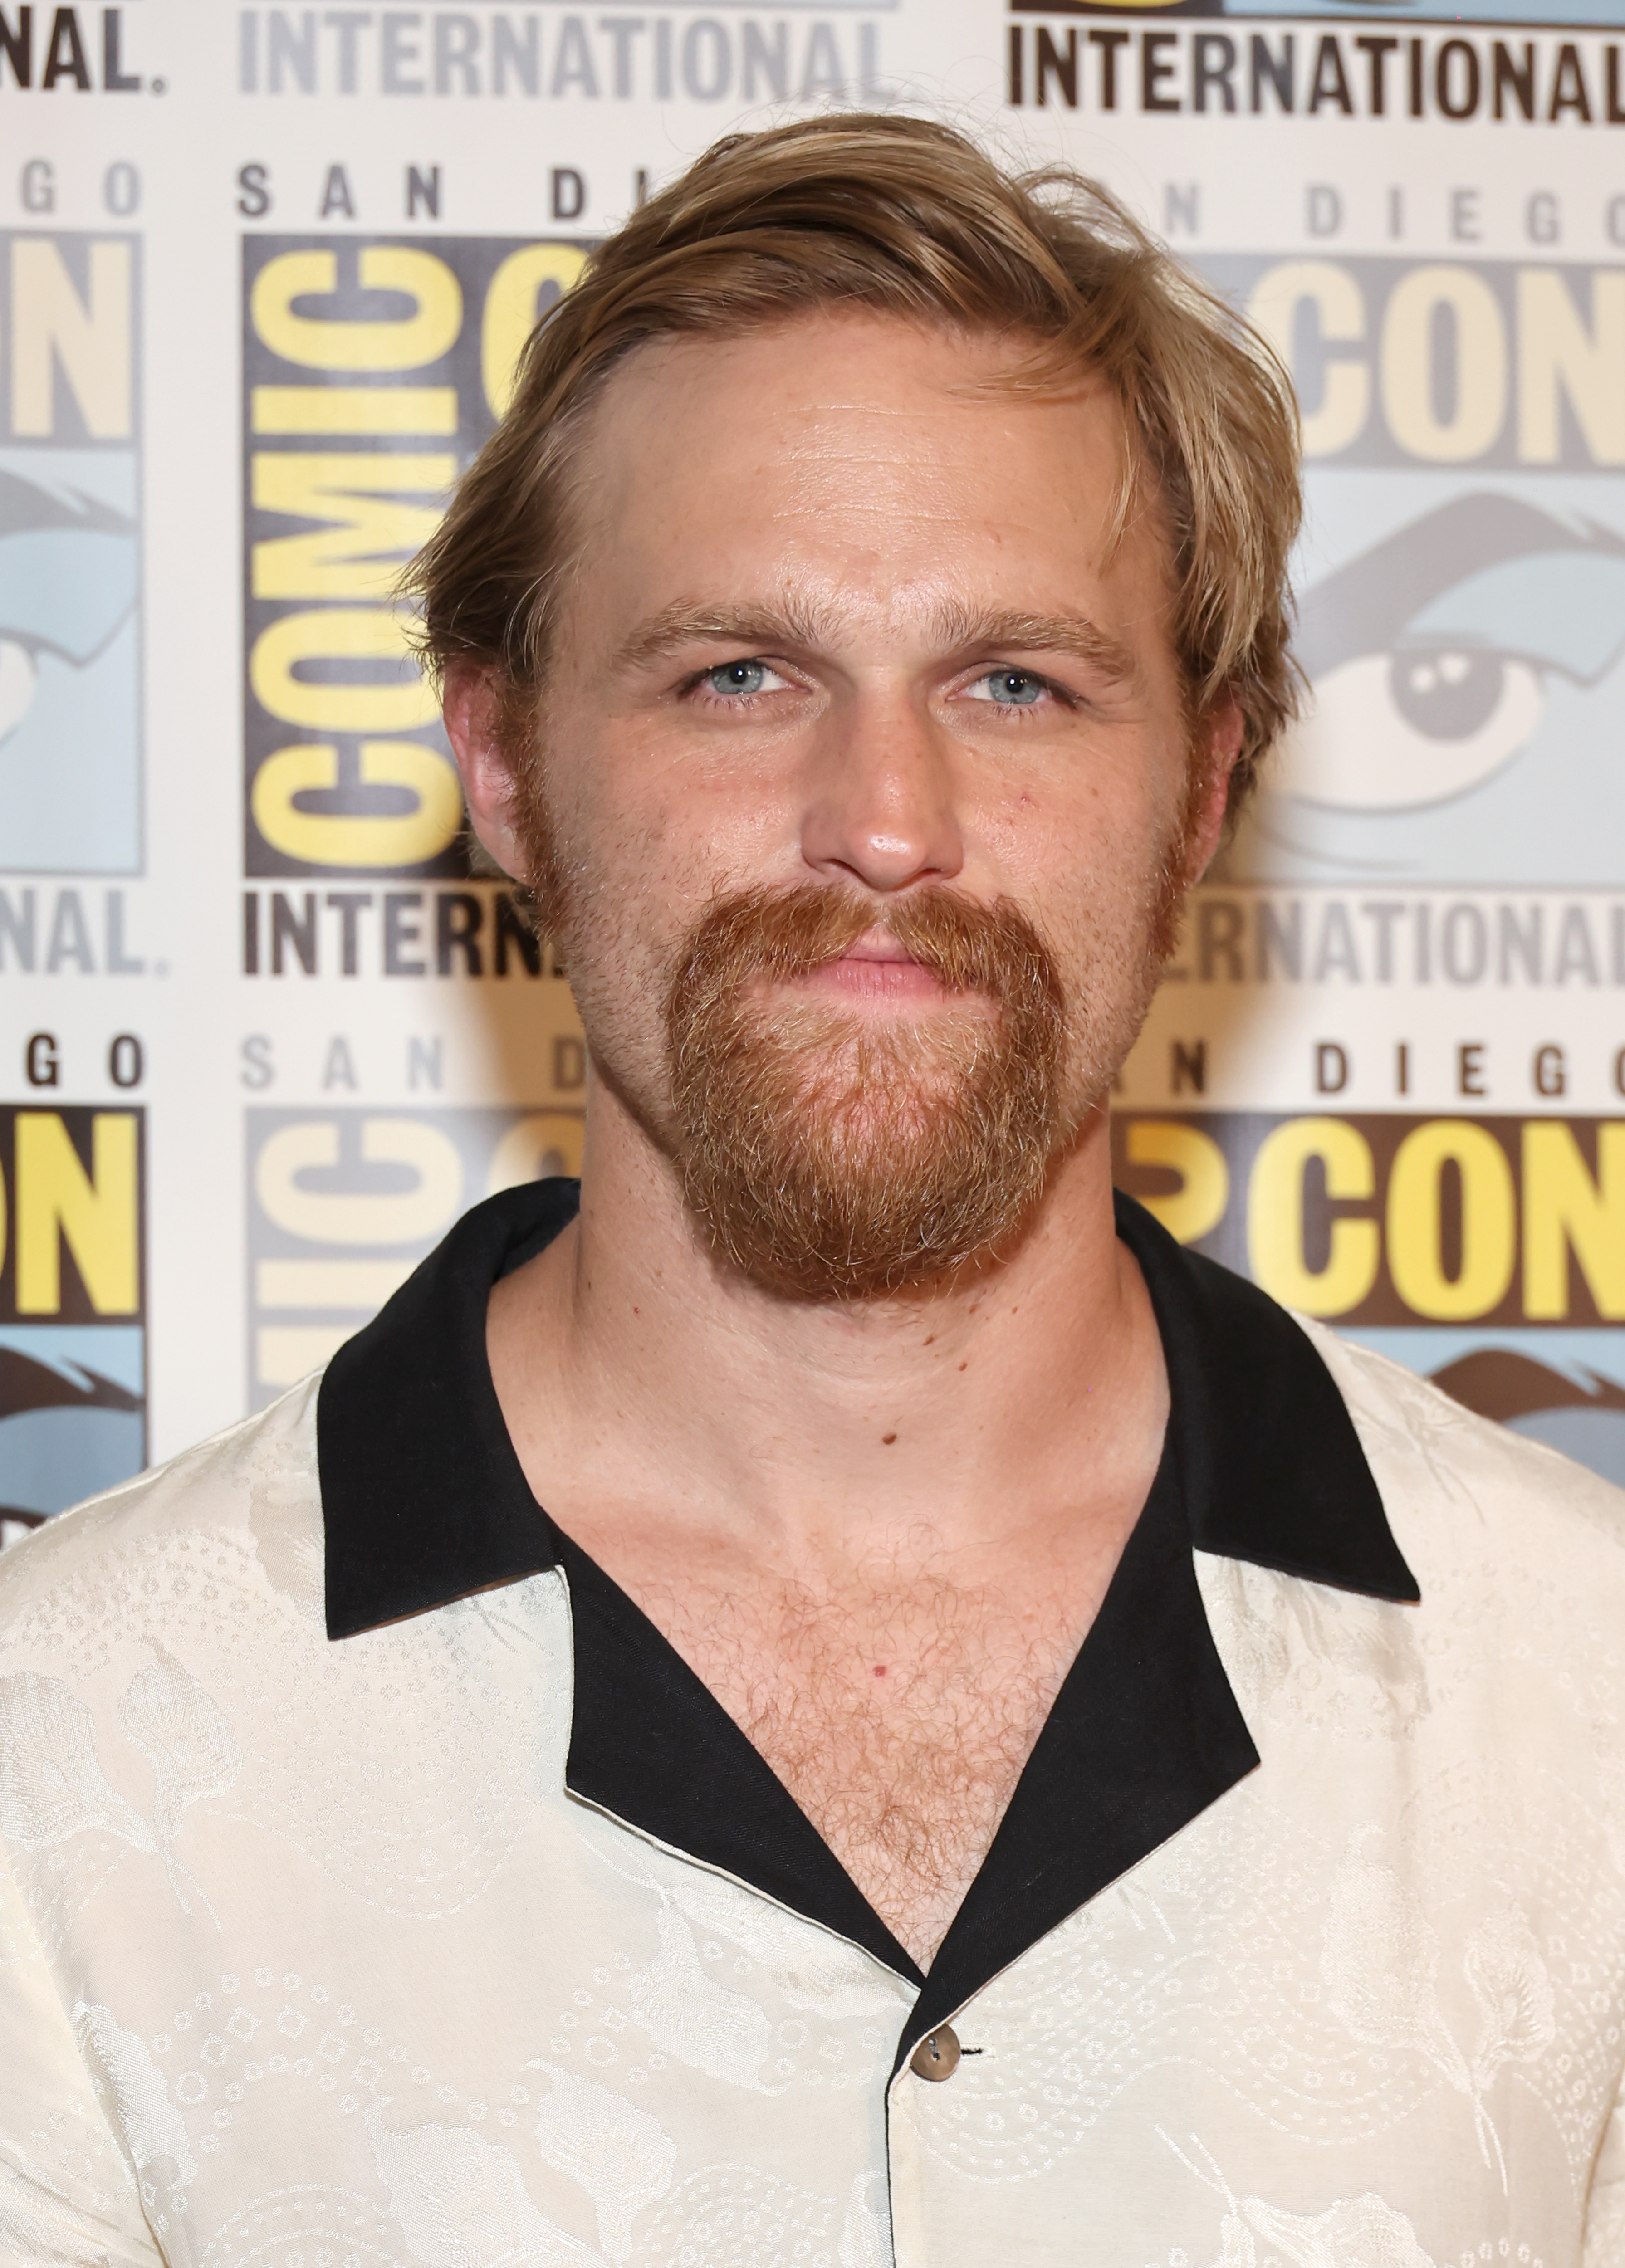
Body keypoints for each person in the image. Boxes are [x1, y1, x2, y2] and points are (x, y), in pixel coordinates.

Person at [1, 115, 1621, 2268]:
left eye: (1012, 682)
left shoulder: (1581, 1686)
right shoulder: (63, 1754)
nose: (882, 817)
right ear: (501, 761)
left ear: (1202, 783)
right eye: (738, 673)